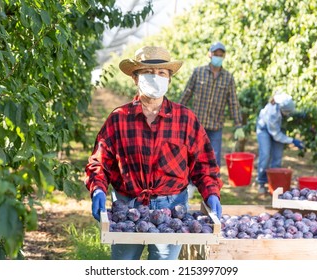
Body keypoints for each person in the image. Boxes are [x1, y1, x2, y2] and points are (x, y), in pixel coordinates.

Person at [84, 46, 223, 260]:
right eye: (148, 72)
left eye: (161, 73)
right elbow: (99, 163)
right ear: (135, 78)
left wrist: (211, 193)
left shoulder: (185, 119)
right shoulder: (119, 118)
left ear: (169, 79)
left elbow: (204, 165)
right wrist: (98, 190)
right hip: (128, 209)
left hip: (172, 210)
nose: (155, 78)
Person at [179, 41, 245, 168]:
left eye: (221, 55)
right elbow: (186, 93)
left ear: (224, 56)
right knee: (193, 156)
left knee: (213, 160)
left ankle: (211, 186)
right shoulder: (198, 72)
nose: (218, 57)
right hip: (197, 124)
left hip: (216, 126)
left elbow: (233, 102)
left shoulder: (228, 78)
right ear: (210, 54)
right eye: (216, 54)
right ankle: (191, 186)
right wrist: (177, 114)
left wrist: (238, 125)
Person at [255, 92, 305, 194]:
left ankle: (273, 185)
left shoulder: (284, 103)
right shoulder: (272, 113)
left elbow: (290, 112)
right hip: (264, 129)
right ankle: (261, 182)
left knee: (277, 157)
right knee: (265, 155)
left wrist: (301, 116)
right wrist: (292, 141)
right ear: (283, 110)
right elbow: (276, 136)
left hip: (276, 129)